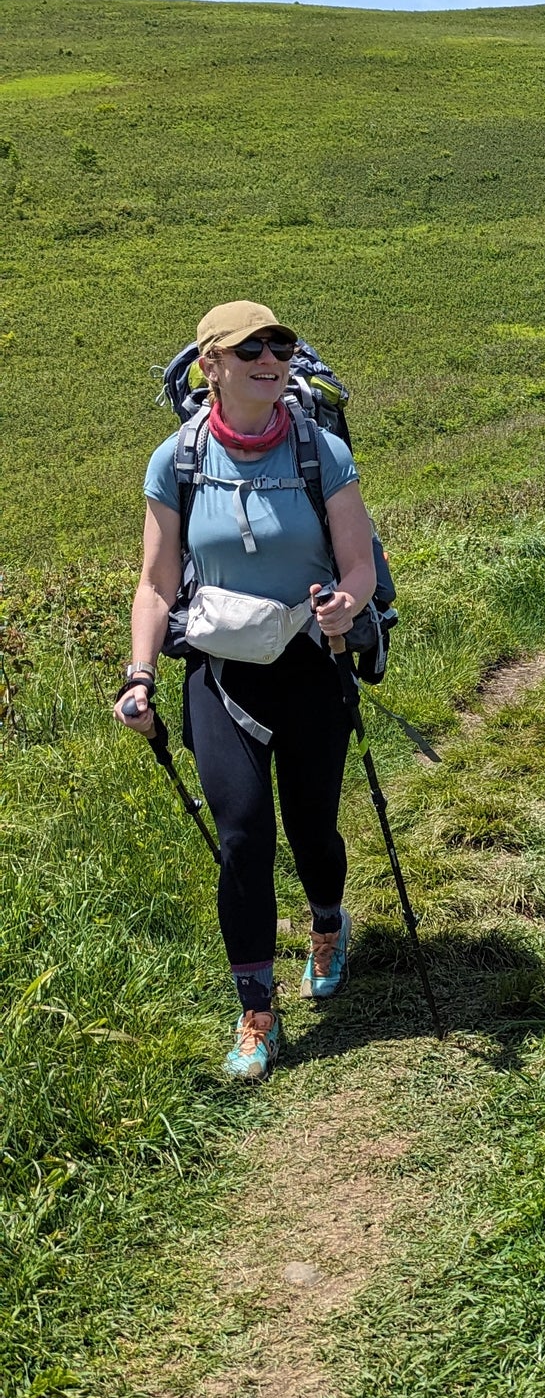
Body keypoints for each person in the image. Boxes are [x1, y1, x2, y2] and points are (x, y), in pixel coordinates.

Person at [114, 302, 379, 1082]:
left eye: (282, 344)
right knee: (241, 838)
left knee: (311, 828)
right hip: (219, 674)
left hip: (309, 663)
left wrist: (348, 604)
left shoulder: (319, 450)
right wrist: (139, 676)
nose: (271, 356)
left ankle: (327, 922)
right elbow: (156, 585)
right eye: (250, 347)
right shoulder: (178, 461)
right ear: (211, 366)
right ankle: (256, 1009)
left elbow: (359, 563)